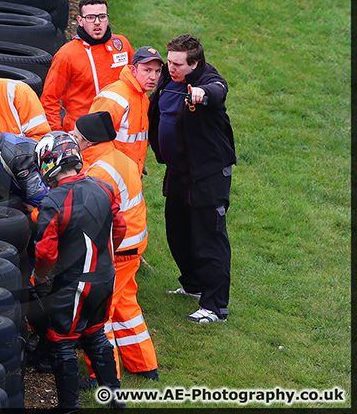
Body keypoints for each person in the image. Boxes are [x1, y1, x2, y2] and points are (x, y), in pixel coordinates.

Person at [33, 131, 127, 411]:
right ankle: (115, 399)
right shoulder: (104, 187)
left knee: (61, 342)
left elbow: (45, 252)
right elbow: (120, 227)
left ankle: (69, 407)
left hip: (74, 282)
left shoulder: (53, 201)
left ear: (49, 164)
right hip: (105, 277)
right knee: (95, 333)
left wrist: (40, 276)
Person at [147, 34, 236, 323]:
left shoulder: (207, 80)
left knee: (209, 238)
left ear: (194, 63)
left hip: (207, 175)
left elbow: (218, 90)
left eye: (177, 64)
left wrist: (202, 94)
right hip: (177, 172)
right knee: (178, 232)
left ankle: (215, 307)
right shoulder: (167, 80)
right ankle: (193, 286)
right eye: (168, 62)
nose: (169, 69)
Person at [72, 112, 159, 385]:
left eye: (76, 137)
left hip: (118, 249)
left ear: (87, 142)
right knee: (126, 307)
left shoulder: (98, 171)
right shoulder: (119, 158)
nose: (73, 141)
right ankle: (144, 366)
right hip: (133, 245)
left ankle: (104, 376)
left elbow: (87, 214)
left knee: (100, 315)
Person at [40, 0, 134, 133]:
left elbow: (137, 84)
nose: (97, 22)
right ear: (80, 20)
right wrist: (57, 134)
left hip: (121, 131)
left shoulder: (122, 45)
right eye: (90, 17)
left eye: (102, 17)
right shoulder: (67, 54)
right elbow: (49, 98)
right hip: (83, 134)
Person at [89, 46, 164, 175]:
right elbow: (92, 142)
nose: (153, 77)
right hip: (110, 176)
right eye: (147, 70)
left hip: (129, 174)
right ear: (133, 70)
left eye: (157, 71)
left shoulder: (142, 96)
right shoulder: (113, 98)